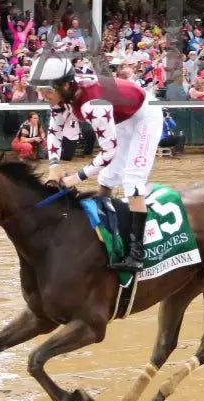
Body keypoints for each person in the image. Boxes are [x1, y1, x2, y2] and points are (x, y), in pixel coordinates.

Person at [29, 55, 164, 273]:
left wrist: (77, 177)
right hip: (121, 115)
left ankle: (136, 256)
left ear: (64, 85)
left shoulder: (93, 105)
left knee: (132, 181)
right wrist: (54, 165)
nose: (42, 96)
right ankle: (104, 234)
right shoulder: (63, 94)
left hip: (144, 116)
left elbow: (109, 152)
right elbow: (54, 131)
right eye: (39, 90)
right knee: (107, 178)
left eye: (46, 90)